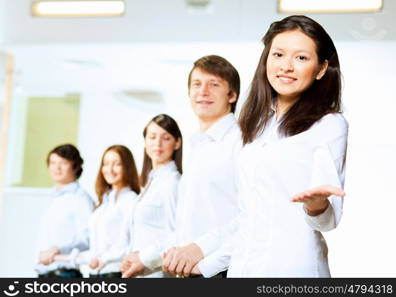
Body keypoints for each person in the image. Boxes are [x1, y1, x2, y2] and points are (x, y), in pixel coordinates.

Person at [189, 15, 349, 277]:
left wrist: (316, 204)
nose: (286, 66)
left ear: (321, 69)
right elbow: (248, 219)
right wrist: (205, 263)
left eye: (301, 58)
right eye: (278, 55)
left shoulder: (329, 124)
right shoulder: (257, 125)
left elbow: (328, 221)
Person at [161, 55, 242, 278]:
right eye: (197, 84)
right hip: (189, 270)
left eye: (214, 84)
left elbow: (252, 215)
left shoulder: (242, 142)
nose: (202, 91)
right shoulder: (197, 144)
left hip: (221, 269)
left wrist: (200, 249)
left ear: (232, 95)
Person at [54, 145, 140, 278]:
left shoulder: (131, 200)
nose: (110, 169)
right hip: (95, 274)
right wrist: (58, 257)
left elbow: (128, 246)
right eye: (106, 164)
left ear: (127, 167)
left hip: (116, 274)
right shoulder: (104, 204)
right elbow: (95, 252)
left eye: (117, 164)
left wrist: (103, 259)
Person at [116, 114, 182, 278]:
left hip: (157, 273)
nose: (157, 143)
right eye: (152, 137)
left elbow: (178, 234)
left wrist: (143, 258)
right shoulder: (150, 183)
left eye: (166, 138)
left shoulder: (172, 183)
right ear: (145, 142)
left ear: (177, 143)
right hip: (139, 272)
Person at [35, 144, 94, 278]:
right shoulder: (53, 198)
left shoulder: (81, 198)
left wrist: (58, 249)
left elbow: (88, 237)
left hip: (64, 275)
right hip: (44, 273)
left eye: (63, 163)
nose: (57, 168)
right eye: (53, 162)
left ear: (76, 166)